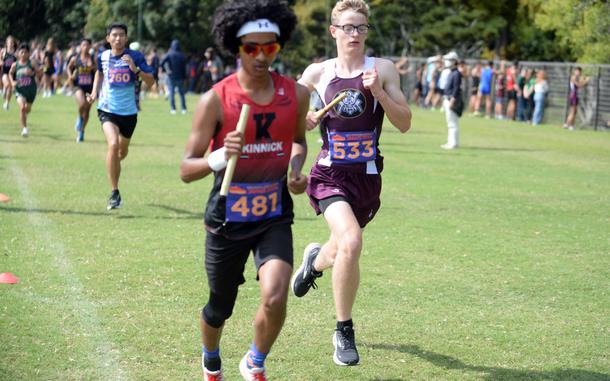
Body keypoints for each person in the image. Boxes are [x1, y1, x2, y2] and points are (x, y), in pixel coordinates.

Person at [179, 1, 309, 379]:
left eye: (270, 47)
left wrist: (296, 169)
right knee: (219, 307)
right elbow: (186, 170)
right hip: (226, 218)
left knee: (275, 295)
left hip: (273, 213)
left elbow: (298, 141)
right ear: (236, 48)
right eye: (252, 47)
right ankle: (211, 356)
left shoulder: (295, 94)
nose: (261, 55)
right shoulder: (216, 99)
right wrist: (219, 156)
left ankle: (255, 361)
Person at [291, 0, 411, 367]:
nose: (355, 34)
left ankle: (314, 261)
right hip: (329, 174)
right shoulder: (317, 73)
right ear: (334, 32)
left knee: (341, 248)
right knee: (353, 241)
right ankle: (343, 330)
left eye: (361, 27)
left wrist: (379, 94)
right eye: (348, 27)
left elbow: (404, 122)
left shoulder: (384, 70)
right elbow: (286, 117)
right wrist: (303, 120)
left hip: (367, 177)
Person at [86, 22, 154, 210]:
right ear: (108, 38)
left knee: (121, 153)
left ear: (126, 37)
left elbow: (152, 82)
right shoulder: (103, 57)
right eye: (114, 35)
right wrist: (94, 93)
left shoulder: (136, 56)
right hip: (107, 109)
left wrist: (136, 69)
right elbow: (99, 74)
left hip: (129, 113)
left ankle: (113, 163)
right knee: (113, 145)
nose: (118, 38)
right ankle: (115, 193)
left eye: (121, 35)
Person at [8, 43, 41, 137]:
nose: (23, 54)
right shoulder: (15, 64)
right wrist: (12, 82)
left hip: (31, 90)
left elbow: (39, 73)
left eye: (26, 52)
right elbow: (10, 73)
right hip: (19, 90)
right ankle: (24, 129)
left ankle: (24, 117)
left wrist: (33, 73)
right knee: (22, 108)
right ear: (18, 53)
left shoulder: (32, 63)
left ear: (29, 54)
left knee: (28, 109)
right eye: (21, 52)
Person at [67, 38, 97, 142]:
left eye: (87, 45)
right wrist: (70, 76)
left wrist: (93, 67)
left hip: (90, 87)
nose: (85, 47)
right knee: (82, 104)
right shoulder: (75, 58)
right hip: (78, 86)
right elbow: (68, 67)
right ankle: (79, 118)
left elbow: (98, 72)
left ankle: (82, 132)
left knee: (87, 111)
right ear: (80, 46)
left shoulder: (93, 59)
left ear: (90, 47)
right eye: (83, 45)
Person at [440, 51, 462, 149]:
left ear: (454, 61)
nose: (447, 61)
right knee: (450, 123)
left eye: (449, 60)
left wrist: (452, 100)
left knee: (452, 123)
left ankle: (453, 143)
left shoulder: (457, 73)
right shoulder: (451, 72)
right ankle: (450, 142)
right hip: (447, 99)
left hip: (451, 100)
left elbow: (456, 88)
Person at [161, 39, 187, 114]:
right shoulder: (182, 55)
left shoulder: (169, 54)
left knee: (172, 92)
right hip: (180, 77)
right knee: (181, 93)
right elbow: (184, 67)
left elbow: (162, 62)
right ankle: (183, 109)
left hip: (171, 76)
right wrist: (184, 76)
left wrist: (166, 70)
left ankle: (173, 109)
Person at [1, 35, 18, 111]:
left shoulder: (16, 52)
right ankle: (4, 89)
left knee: (10, 88)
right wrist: (1, 62)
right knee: (7, 85)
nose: (10, 44)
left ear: (13, 43)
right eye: (9, 42)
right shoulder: (3, 51)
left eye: (12, 42)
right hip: (5, 72)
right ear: (6, 43)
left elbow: (19, 61)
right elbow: (0, 60)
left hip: (12, 73)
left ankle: (7, 103)